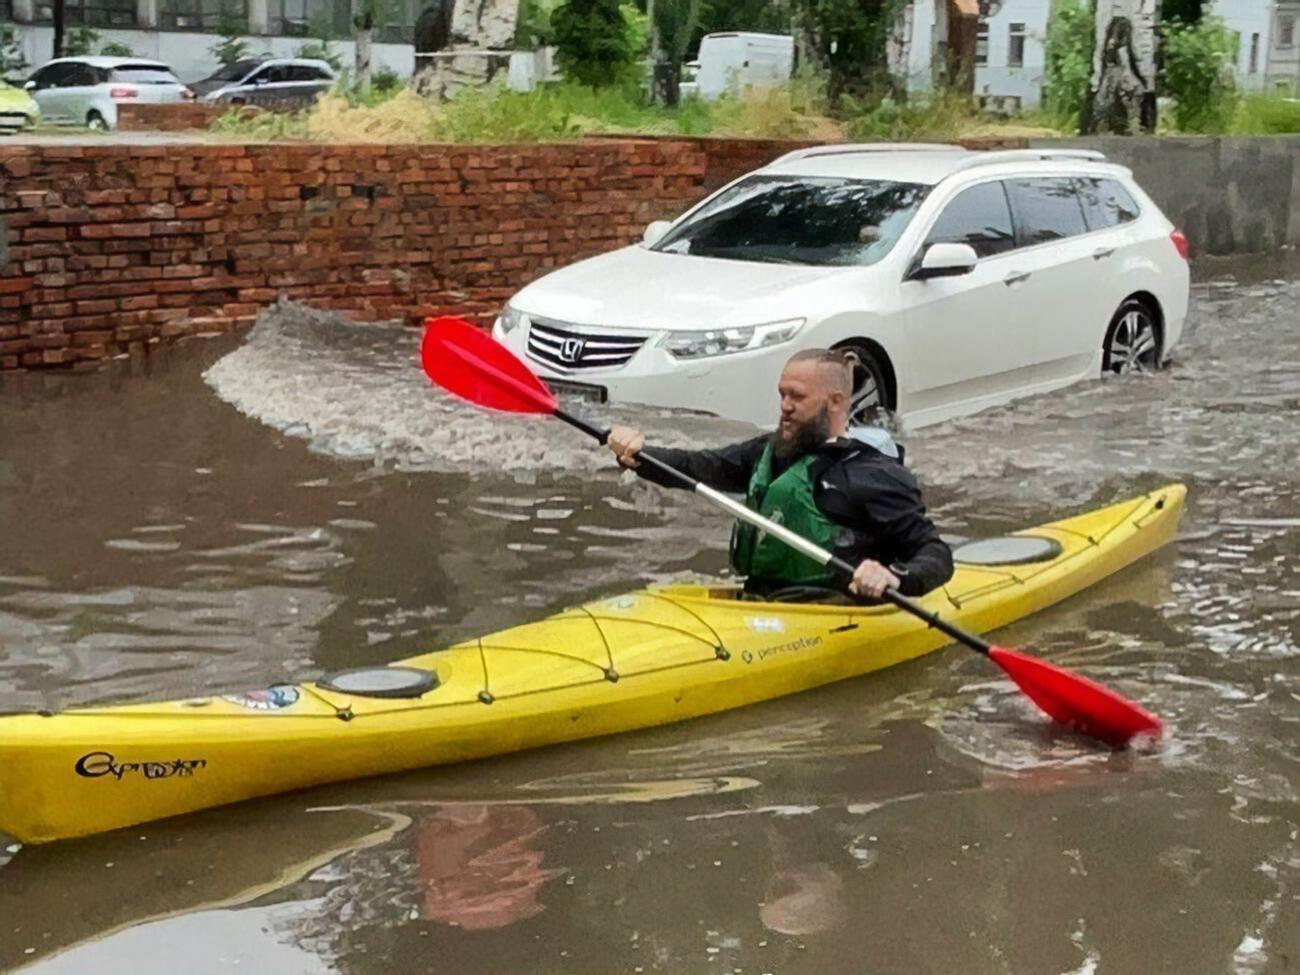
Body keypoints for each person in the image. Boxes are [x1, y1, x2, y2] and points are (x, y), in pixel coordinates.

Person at [606, 347, 953, 602]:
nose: (785, 406)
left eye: (797, 397)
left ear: (834, 402)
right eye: (782, 394)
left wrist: (893, 577)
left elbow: (934, 552)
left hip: (834, 611)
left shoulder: (872, 474)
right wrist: (636, 453)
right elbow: (697, 467)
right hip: (764, 600)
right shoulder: (768, 452)